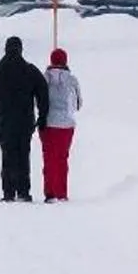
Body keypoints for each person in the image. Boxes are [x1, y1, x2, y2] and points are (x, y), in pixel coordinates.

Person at [0, 36, 49, 202]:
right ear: (20, 49)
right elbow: (43, 92)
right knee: (23, 154)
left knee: (7, 155)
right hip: (25, 120)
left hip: (5, 121)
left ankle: (8, 192)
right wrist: (43, 115)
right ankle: (23, 191)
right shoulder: (30, 70)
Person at [40, 48, 81, 203]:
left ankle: (50, 192)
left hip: (48, 123)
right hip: (66, 125)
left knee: (49, 158)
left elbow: (39, 99)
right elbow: (78, 103)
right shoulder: (72, 80)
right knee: (62, 158)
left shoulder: (44, 78)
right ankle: (62, 192)